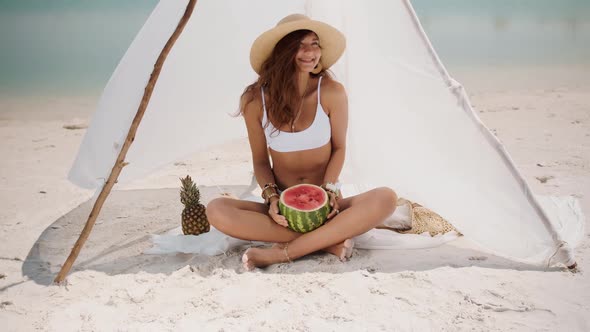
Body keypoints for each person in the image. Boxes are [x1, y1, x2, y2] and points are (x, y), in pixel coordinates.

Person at [206, 14, 397, 270]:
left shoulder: (331, 92)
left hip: (328, 205)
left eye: (315, 44)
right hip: (283, 208)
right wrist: (272, 199)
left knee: (386, 198)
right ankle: (328, 241)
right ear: (283, 51)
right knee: (217, 209)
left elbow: (339, 148)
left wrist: (329, 190)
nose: (311, 52)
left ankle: (281, 253)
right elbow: (261, 161)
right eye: (300, 44)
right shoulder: (255, 101)